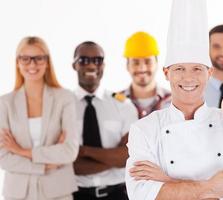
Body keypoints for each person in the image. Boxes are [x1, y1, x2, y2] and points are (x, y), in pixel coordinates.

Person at [125, 0, 223, 199]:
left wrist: (166, 181)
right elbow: (141, 195)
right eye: (179, 69)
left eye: (197, 69)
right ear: (166, 73)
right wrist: (211, 186)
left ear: (209, 73)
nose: (188, 78)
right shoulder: (144, 130)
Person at [0, 36, 79, 200]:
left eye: (38, 58)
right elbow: (3, 157)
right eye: (25, 59)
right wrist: (46, 165)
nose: (32, 65)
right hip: (17, 194)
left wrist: (20, 151)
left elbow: (69, 151)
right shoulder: (5, 103)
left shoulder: (65, 98)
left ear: (47, 62)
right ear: (17, 62)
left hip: (58, 192)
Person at [72, 41, 137, 200]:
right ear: (74, 65)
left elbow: (129, 156)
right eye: (84, 60)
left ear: (104, 65)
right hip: (77, 195)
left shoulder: (123, 105)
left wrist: (83, 151)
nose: (91, 65)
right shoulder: (62, 106)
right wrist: (115, 158)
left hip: (118, 194)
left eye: (97, 60)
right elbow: (68, 165)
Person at [120, 31, 171, 119]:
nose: (142, 68)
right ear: (127, 66)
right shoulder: (115, 102)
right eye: (135, 62)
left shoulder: (173, 102)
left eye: (148, 62)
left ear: (157, 64)